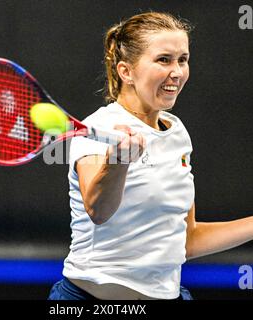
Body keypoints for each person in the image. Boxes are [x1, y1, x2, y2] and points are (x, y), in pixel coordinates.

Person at [48, 11, 253, 300]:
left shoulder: (177, 133)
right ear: (125, 71)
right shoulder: (96, 128)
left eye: (183, 59)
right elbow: (98, 211)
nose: (177, 72)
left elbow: (186, 240)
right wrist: (118, 162)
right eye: (164, 59)